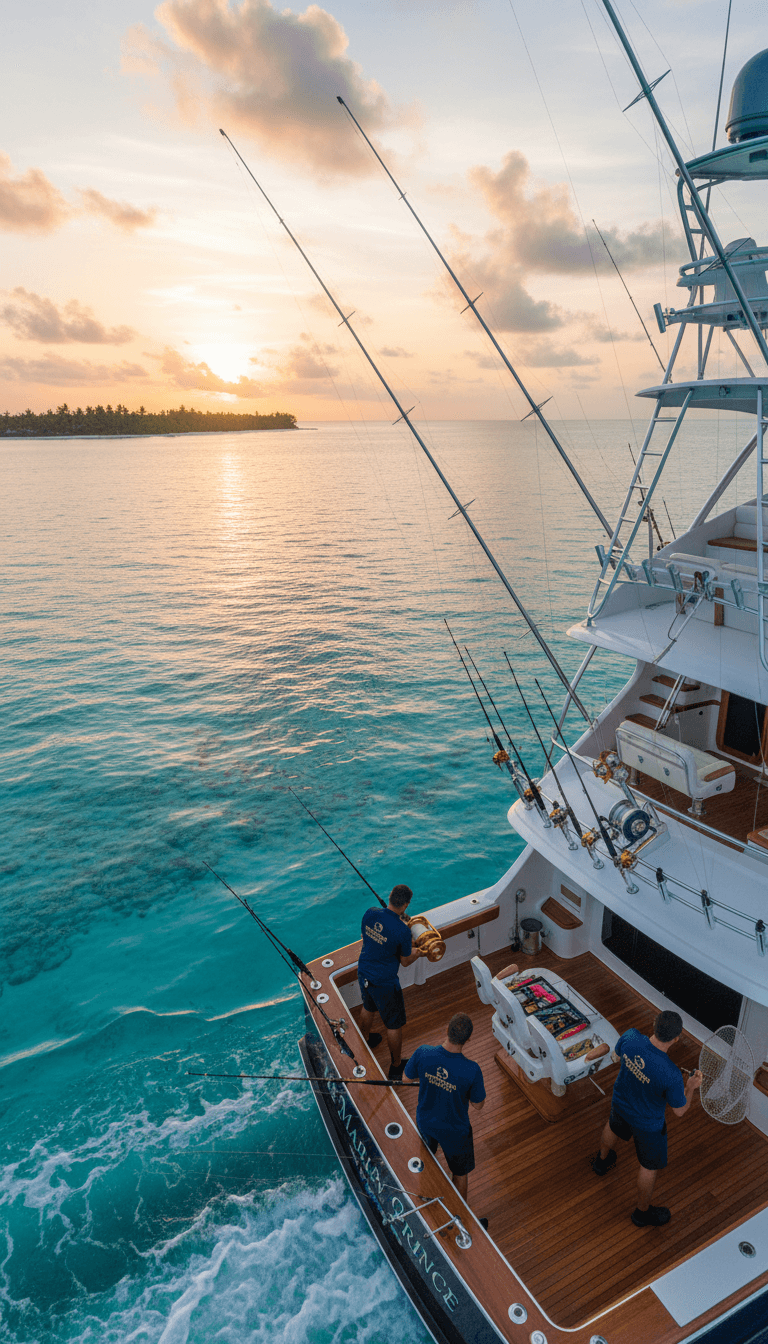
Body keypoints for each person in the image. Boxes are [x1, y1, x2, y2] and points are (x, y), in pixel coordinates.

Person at [588, 1009, 703, 1227]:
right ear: (676, 1039)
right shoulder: (672, 1074)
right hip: (648, 1125)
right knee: (648, 1167)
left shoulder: (631, 1036)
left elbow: (618, 1055)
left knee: (612, 1126)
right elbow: (679, 1111)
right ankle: (641, 1214)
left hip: (620, 1104)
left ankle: (601, 1163)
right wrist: (690, 1087)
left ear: (653, 1023)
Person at [404, 1013, 487, 1220]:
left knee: (427, 1161)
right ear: (468, 1039)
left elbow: (406, 1079)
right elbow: (478, 1105)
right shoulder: (472, 1070)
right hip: (455, 1131)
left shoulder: (423, 1052)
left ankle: (424, 1197)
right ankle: (458, 1215)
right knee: (459, 1173)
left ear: (447, 1030)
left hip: (426, 1123)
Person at [358, 883, 425, 1079]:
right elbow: (405, 961)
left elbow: (365, 936)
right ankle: (396, 1067)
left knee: (368, 1007)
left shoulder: (370, 913)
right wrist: (419, 952)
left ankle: (366, 1039)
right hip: (385, 983)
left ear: (389, 896)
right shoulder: (402, 931)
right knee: (394, 1025)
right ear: (406, 905)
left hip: (364, 972)